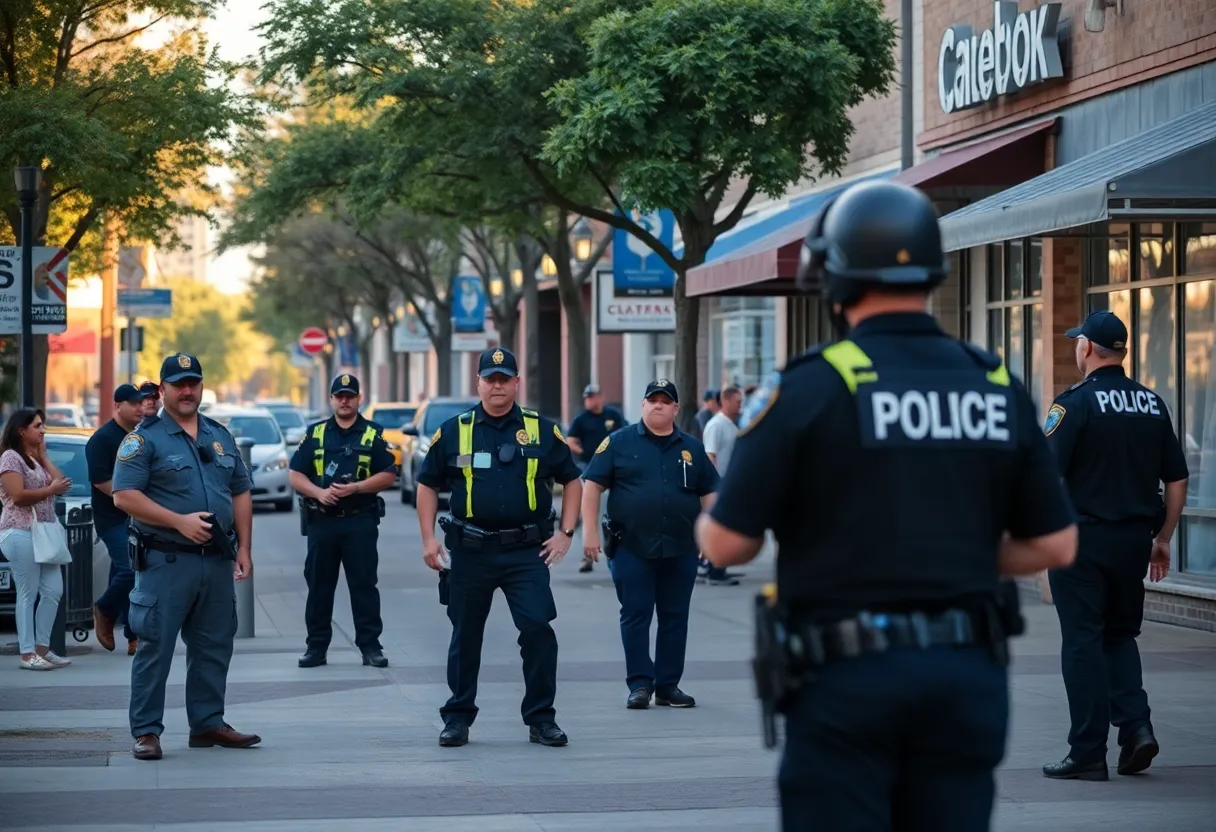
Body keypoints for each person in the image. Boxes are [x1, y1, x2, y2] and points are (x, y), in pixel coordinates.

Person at [694, 180, 1078, 831]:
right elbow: (1056, 545)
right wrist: (950, 544)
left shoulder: (811, 386)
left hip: (846, 681)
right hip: (964, 676)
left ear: (835, 277)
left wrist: (708, 516)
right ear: (933, 271)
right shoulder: (993, 383)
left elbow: (728, 544)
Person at [1040, 310, 1189, 781]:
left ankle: (1087, 753)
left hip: (1081, 541)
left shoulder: (1073, 404)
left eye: (1076, 342)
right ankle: (1137, 729)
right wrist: (1162, 538)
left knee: (1082, 642)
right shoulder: (1151, 403)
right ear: (1120, 351)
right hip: (1133, 542)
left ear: (1087, 348)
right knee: (1120, 636)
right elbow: (1177, 477)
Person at [415, 346, 582, 748]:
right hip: (470, 550)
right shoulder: (456, 429)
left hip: (527, 551)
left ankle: (541, 718)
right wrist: (427, 539)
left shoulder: (541, 429)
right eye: (490, 378)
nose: (497, 385)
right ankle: (457, 718)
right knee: (465, 635)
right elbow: (426, 483)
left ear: (516, 383)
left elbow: (572, 479)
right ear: (479, 383)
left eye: (504, 378)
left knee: (539, 630)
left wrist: (567, 532)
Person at [112, 353, 259, 761]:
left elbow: (241, 490)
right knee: (154, 648)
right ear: (163, 390)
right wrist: (178, 521)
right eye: (179, 384)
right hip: (166, 562)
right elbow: (124, 495)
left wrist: (244, 547)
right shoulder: (144, 439)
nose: (188, 390)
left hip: (215, 559)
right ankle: (146, 732)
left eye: (193, 382)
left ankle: (208, 723)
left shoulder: (219, 434)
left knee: (214, 645)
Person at [581, 379, 718, 709]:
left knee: (675, 617)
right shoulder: (617, 442)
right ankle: (640, 684)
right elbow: (592, 485)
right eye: (652, 400)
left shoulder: (692, 448)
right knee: (636, 614)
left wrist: (710, 534)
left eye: (664, 401)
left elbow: (711, 492)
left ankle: (668, 686)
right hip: (631, 547)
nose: (658, 405)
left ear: (675, 408)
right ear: (643, 405)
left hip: (680, 547)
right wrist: (588, 533)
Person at [289, 373, 398, 669]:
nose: (345, 400)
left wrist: (357, 488)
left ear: (359, 399)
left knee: (363, 585)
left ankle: (370, 647)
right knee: (319, 586)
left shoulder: (373, 433)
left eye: (350, 395)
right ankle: (316, 648)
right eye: (340, 396)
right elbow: (295, 473)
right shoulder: (315, 434)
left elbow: (389, 473)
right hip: (322, 521)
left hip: (359, 520)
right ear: (332, 399)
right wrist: (319, 493)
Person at [0, 409, 72, 670]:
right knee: (27, 593)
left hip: (43, 533)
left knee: (53, 590)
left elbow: (61, 481)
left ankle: (43, 649)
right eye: (38, 426)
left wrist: (43, 456)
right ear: (22, 429)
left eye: (43, 426)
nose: (43, 430)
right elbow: (17, 496)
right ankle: (27, 653)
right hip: (19, 531)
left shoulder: (36, 457)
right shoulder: (10, 457)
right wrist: (49, 491)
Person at [89, 384, 152, 656]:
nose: (141, 408)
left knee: (130, 573)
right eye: (134, 403)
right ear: (118, 406)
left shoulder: (140, 437)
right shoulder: (102, 439)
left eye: (143, 403)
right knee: (129, 571)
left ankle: (132, 636)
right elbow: (103, 482)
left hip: (140, 518)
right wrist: (135, 500)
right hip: (113, 518)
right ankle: (103, 609)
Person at [566, 383, 628, 573]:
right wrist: (580, 450)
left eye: (591, 396)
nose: (588, 400)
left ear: (600, 397)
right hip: (590, 467)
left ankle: (622, 551)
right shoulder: (581, 419)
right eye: (586, 397)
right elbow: (570, 439)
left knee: (619, 505)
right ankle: (588, 556)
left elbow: (626, 432)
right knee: (590, 509)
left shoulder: (613, 415)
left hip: (613, 466)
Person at [699, 385, 744, 586]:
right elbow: (710, 456)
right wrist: (714, 487)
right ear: (725, 402)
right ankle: (714, 572)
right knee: (721, 527)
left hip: (730, 484)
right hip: (720, 486)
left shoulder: (731, 425)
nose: (740, 406)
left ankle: (713, 565)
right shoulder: (716, 425)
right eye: (738, 402)